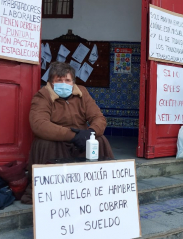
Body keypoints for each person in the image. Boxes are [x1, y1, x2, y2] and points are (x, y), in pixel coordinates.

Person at [21, 62, 114, 204]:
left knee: (100, 140)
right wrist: (73, 136)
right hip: (57, 138)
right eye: (59, 80)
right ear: (52, 82)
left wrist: (90, 133)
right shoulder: (43, 95)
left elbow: (98, 118)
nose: (63, 83)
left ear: (73, 82)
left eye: (67, 80)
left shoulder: (82, 93)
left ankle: (99, 187)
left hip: (82, 137)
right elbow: (39, 124)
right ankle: (52, 192)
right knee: (46, 143)